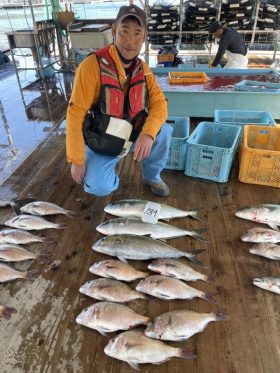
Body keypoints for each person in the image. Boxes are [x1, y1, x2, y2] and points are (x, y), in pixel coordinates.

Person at [66, 4, 172, 197]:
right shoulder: (91, 66)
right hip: (102, 140)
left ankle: (152, 176)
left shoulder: (144, 70)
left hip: (131, 134)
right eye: (124, 31)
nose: (130, 41)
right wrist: (76, 159)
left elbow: (160, 103)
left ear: (144, 37)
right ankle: (106, 174)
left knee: (163, 131)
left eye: (137, 33)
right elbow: (75, 113)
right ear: (114, 30)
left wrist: (148, 134)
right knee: (99, 186)